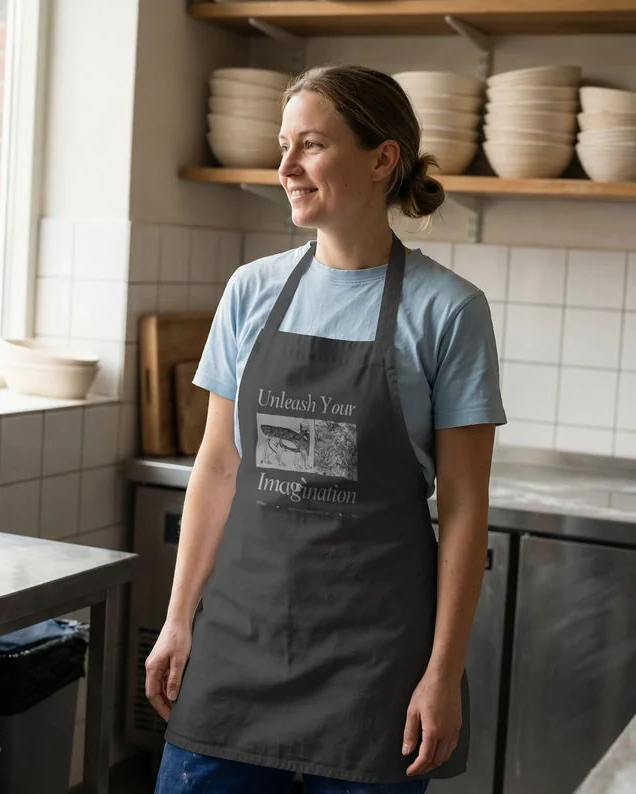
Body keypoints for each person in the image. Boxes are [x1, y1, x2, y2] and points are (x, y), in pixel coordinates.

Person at [146, 64, 507, 793]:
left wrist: (443, 671)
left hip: (374, 665)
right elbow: (219, 466)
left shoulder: (448, 311)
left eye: (310, 145)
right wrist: (179, 617)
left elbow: (465, 510)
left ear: (382, 159)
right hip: (237, 645)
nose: (285, 168)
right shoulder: (251, 290)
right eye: (283, 145)